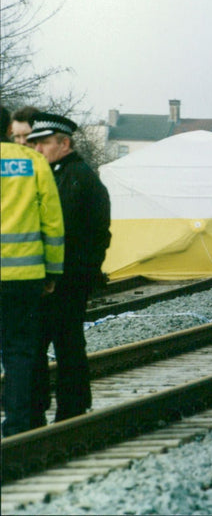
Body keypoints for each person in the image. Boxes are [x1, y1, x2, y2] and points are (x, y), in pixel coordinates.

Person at [27, 113, 112, 422]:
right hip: (45, 277)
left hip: (68, 279)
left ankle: (70, 409)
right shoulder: (50, 175)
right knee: (43, 344)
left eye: (44, 143)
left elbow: (95, 234)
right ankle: (46, 408)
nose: (37, 150)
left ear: (64, 143)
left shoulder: (79, 178)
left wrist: (79, 275)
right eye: (34, 143)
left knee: (66, 344)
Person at [1, 106, 65, 436]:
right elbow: (52, 223)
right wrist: (52, 272)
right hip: (25, 278)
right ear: (8, 128)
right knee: (20, 352)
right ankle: (18, 425)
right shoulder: (34, 162)